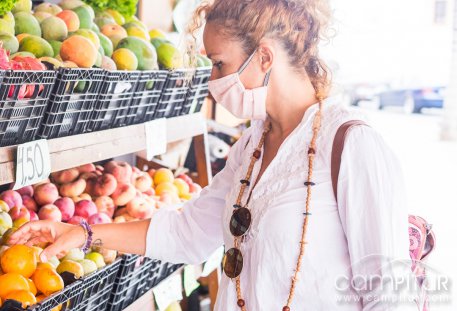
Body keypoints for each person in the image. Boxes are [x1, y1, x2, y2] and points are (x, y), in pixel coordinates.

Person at [9, 0, 415, 310]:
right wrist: (82, 234)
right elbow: (188, 233)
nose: (212, 82)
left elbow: (389, 295)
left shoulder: (350, 147)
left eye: (220, 65)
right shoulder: (252, 148)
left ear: (266, 58)